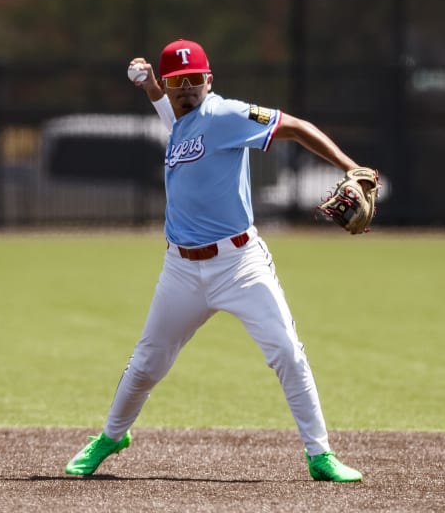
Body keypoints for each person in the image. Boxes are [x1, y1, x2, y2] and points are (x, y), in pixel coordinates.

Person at [65, 39, 370, 482]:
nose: (186, 88)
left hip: (240, 264)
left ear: (210, 81)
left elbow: (298, 127)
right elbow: (169, 112)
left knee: (286, 351)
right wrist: (151, 85)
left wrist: (350, 167)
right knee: (147, 364)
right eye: (177, 82)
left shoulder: (225, 115)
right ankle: (111, 437)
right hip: (182, 270)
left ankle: (320, 454)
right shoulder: (178, 116)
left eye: (194, 80)